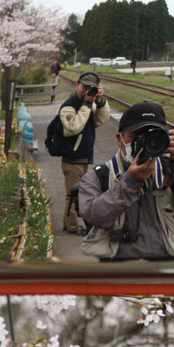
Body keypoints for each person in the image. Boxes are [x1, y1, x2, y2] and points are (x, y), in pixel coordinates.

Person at [79, 101, 174, 261]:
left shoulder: (173, 171)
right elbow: (96, 218)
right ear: (120, 139)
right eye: (135, 136)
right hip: (120, 264)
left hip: (167, 263)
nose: (143, 143)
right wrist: (129, 182)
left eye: (151, 136)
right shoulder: (98, 176)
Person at [59, 72, 111, 234]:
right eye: (84, 87)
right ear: (77, 85)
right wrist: (87, 105)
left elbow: (102, 120)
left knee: (79, 192)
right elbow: (73, 127)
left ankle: (71, 224)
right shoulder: (69, 106)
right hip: (72, 159)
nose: (86, 91)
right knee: (72, 193)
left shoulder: (86, 106)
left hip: (82, 158)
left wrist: (100, 102)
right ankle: (72, 226)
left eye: (91, 88)